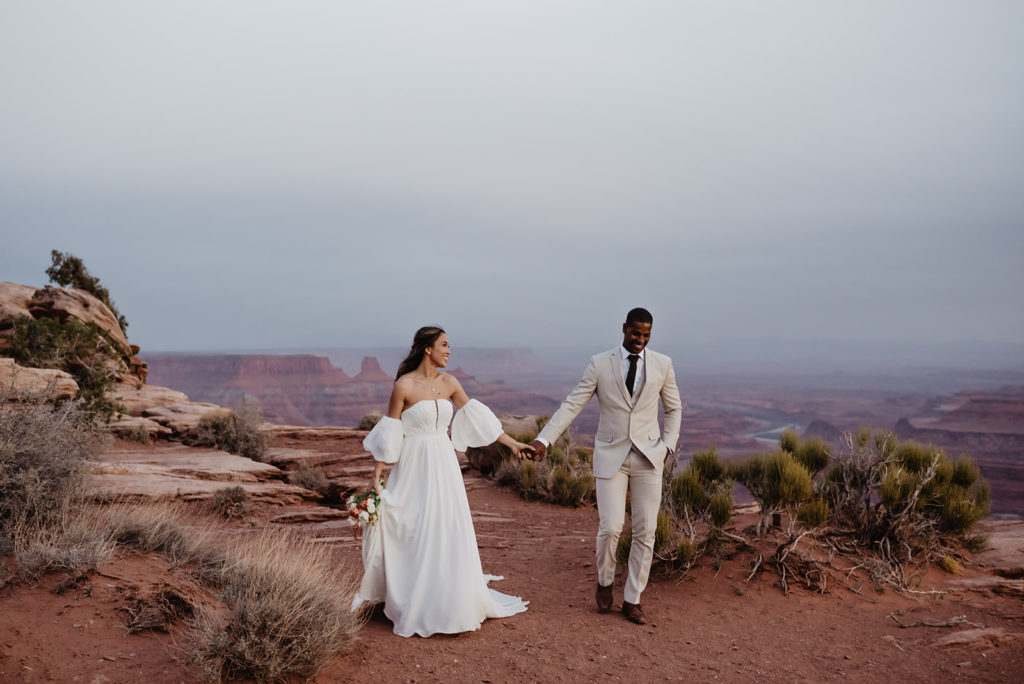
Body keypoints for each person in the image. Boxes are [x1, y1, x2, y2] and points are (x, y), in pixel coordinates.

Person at [353, 325, 533, 637]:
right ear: (427, 349)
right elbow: (390, 432)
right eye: (444, 345)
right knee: (413, 525)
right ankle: (414, 598)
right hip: (413, 463)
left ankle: (449, 599)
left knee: (446, 525)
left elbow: (479, 419)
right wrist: (377, 476)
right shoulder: (403, 386)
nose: (449, 351)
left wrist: (513, 444)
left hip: (444, 462)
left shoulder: (450, 382)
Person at [529, 308, 681, 625]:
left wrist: (668, 445)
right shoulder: (600, 363)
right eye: (635, 333)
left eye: (646, 335)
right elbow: (572, 404)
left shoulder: (663, 364)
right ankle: (605, 580)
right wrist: (544, 440)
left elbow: (674, 408)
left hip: (649, 457)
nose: (640, 340)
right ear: (624, 329)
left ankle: (632, 600)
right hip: (611, 455)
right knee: (611, 527)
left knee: (646, 531)